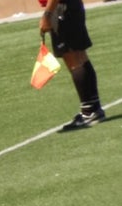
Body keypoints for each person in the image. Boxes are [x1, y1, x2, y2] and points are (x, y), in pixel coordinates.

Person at [40, 0, 104, 130]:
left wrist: (47, 15)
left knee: (73, 59)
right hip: (68, 7)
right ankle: (92, 109)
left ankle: (89, 112)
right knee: (80, 57)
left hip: (62, 9)